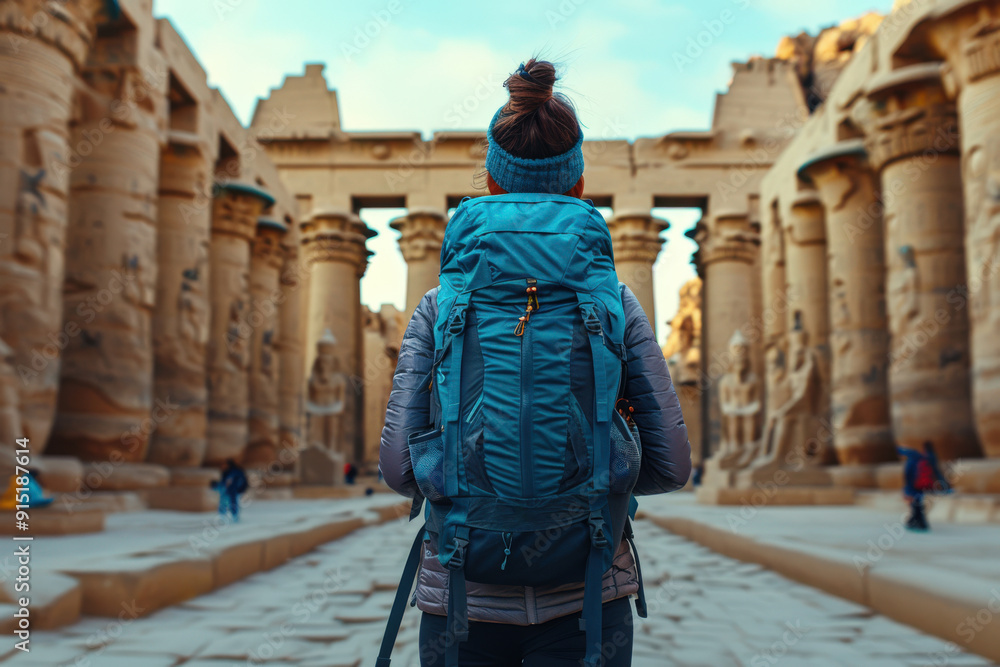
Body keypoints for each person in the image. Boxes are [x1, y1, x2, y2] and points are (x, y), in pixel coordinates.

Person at [380, 58, 691, 667]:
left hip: (461, 588)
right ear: (579, 184)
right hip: (589, 591)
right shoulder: (616, 302)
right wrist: (595, 479)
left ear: (491, 182)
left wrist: (469, 484)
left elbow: (397, 468)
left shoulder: (439, 306)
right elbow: (672, 466)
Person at [898, 441, 951, 532]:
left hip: (913, 485)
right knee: (917, 503)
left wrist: (907, 487)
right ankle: (916, 522)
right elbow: (936, 472)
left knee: (916, 504)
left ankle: (918, 523)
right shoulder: (930, 457)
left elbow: (908, 474)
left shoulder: (913, 458)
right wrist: (945, 485)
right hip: (922, 485)